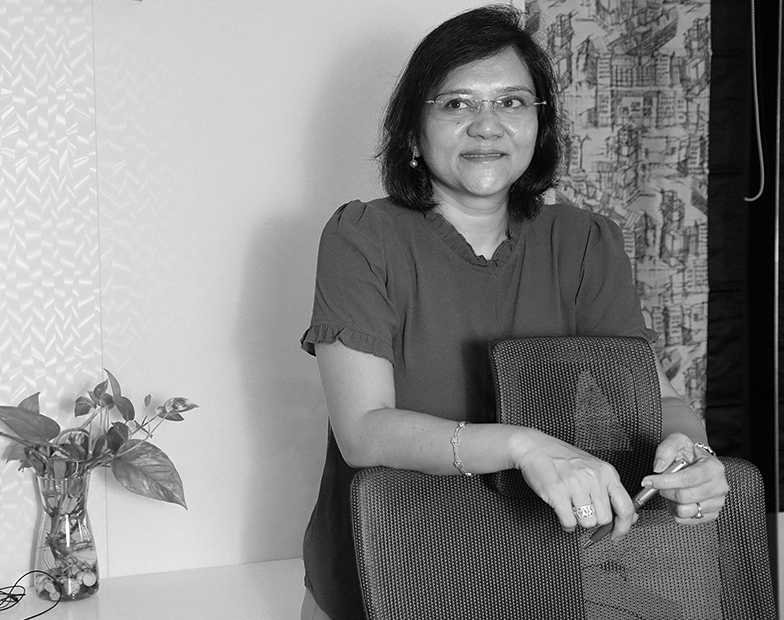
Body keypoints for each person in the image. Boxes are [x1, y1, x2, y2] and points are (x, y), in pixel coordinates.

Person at [297, 6, 729, 620]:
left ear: (538, 124)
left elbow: (655, 400)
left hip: (545, 568)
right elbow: (364, 431)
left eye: (511, 102)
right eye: (457, 104)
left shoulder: (583, 241)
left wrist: (691, 451)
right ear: (413, 131)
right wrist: (524, 446)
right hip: (386, 567)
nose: (486, 125)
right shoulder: (363, 236)